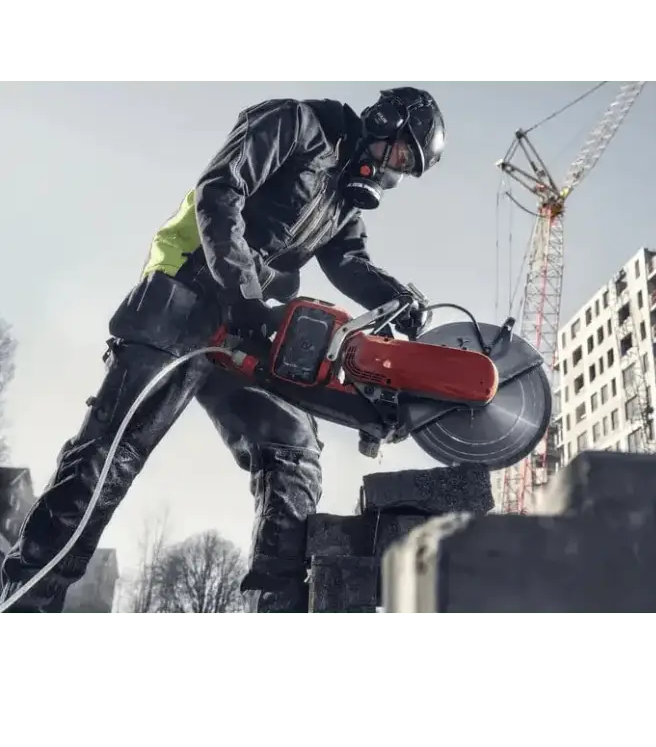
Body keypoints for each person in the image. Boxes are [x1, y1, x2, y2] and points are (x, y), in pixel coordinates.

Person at [0, 86, 447, 618]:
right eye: (399, 157)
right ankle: (25, 603)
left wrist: (394, 295)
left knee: (292, 452)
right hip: (184, 294)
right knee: (110, 454)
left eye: (406, 171)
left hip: (249, 329)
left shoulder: (344, 198)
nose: (393, 174)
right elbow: (220, 190)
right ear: (385, 120)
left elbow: (347, 260)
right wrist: (242, 292)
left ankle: (276, 608)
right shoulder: (295, 124)